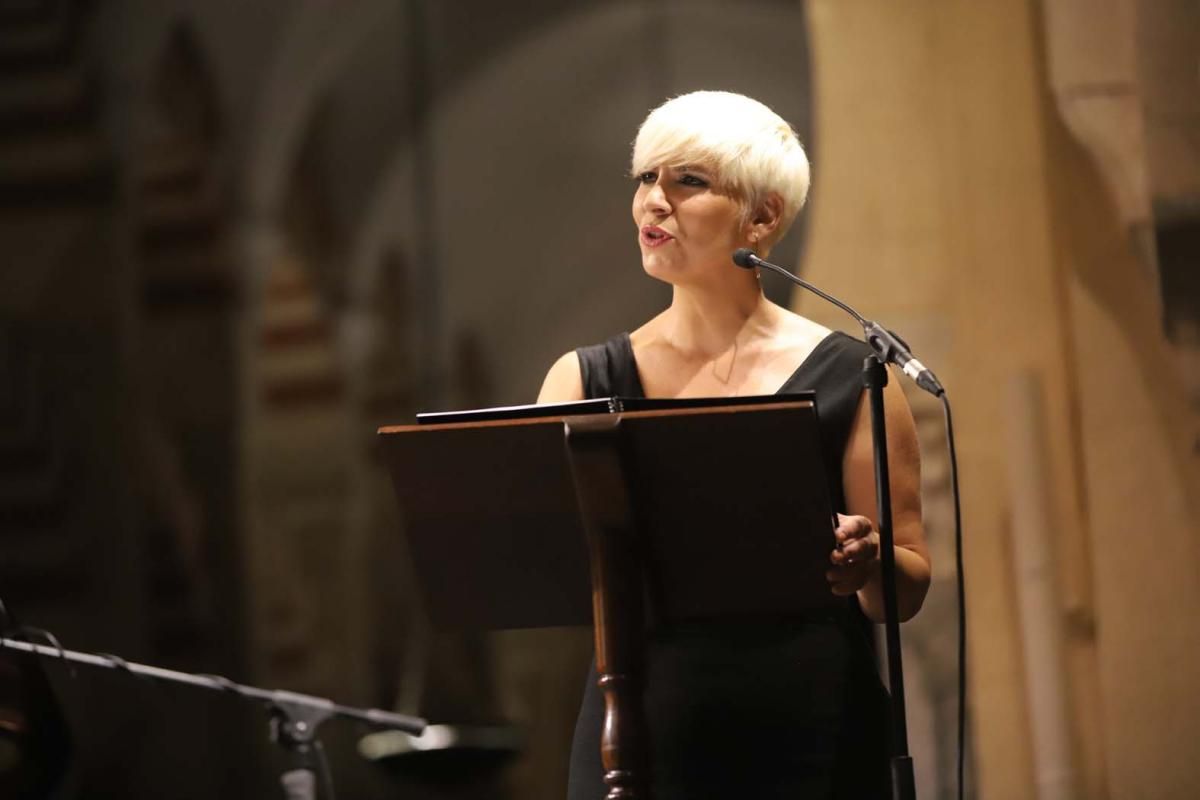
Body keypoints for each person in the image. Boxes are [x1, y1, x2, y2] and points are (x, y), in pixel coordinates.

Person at [538, 90, 930, 799]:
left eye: (688, 181)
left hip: (813, 735)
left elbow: (900, 592)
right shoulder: (582, 381)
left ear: (764, 214)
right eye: (645, 178)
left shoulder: (853, 376)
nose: (654, 201)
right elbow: (540, 564)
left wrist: (868, 559)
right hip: (639, 738)